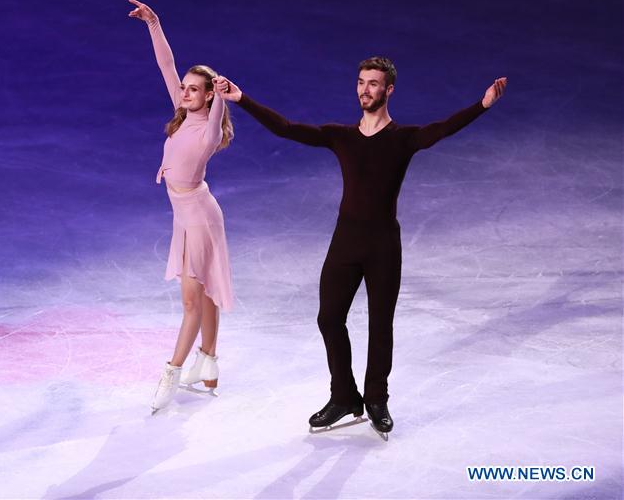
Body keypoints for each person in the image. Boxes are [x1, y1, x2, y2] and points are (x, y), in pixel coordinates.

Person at [215, 59, 506, 438]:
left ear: (388, 91)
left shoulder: (404, 139)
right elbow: (286, 129)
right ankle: (344, 397)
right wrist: (242, 99)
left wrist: (481, 105)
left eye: (373, 84)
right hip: (345, 242)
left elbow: (441, 130)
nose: (364, 90)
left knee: (380, 325)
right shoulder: (342, 137)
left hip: (384, 244)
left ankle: (377, 400)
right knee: (328, 318)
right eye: (361, 83)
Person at [128, 0, 236, 413]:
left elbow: (216, 113)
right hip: (187, 217)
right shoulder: (181, 111)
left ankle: (171, 372)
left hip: (201, 221)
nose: (184, 92)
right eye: (185, 88)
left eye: (194, 89)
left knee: (192, 301)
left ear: (208, 96)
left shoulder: (209, 130)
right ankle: (208, 365)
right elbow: (166, 66)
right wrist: (154, 24)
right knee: (204, 294)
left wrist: (223, 95)